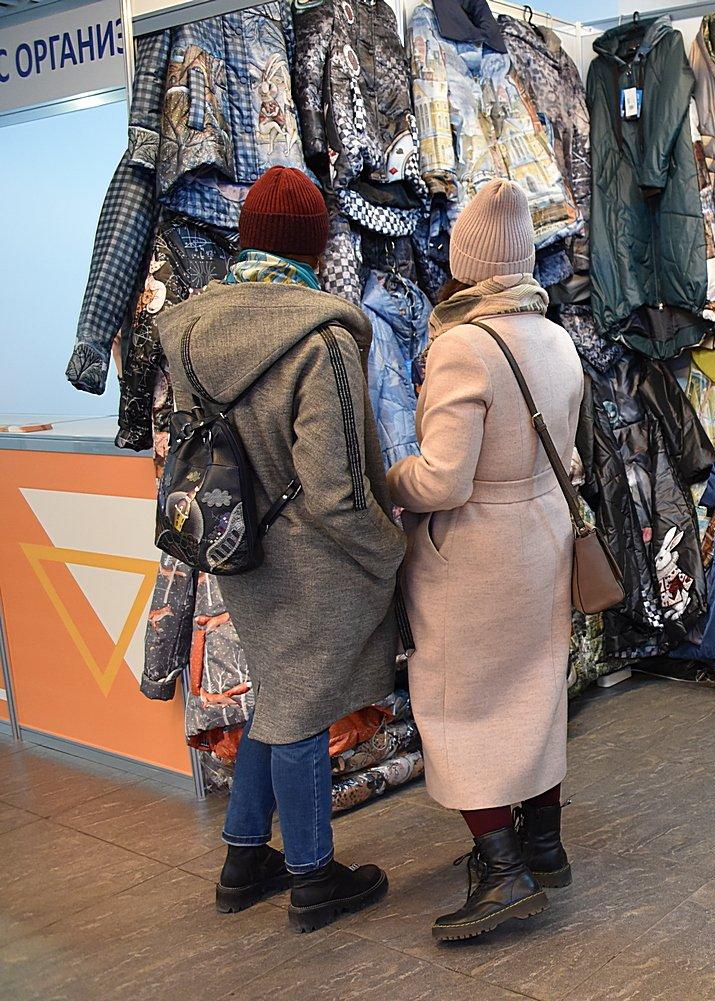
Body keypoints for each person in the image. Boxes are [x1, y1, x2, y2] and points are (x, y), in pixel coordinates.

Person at [156, 166, 407, 932]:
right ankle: (312, 876)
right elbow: (337, 491)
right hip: (315, 558)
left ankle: (243, 858)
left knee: (275, 690)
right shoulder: (322, 339)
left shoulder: (192, 330)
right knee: (302, 707)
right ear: (315, 245)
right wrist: (391, 549)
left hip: (235, 543)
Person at [387, 179, 585, 943]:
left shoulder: (463, 346)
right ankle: (544, 845)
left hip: (474, 553)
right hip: (544, 536)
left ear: (466, 260)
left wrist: (387, 477)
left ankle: (502, 869)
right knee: (536, 688)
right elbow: (568, 453)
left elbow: (444, 480)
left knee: (459, 703)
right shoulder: (557, 337)